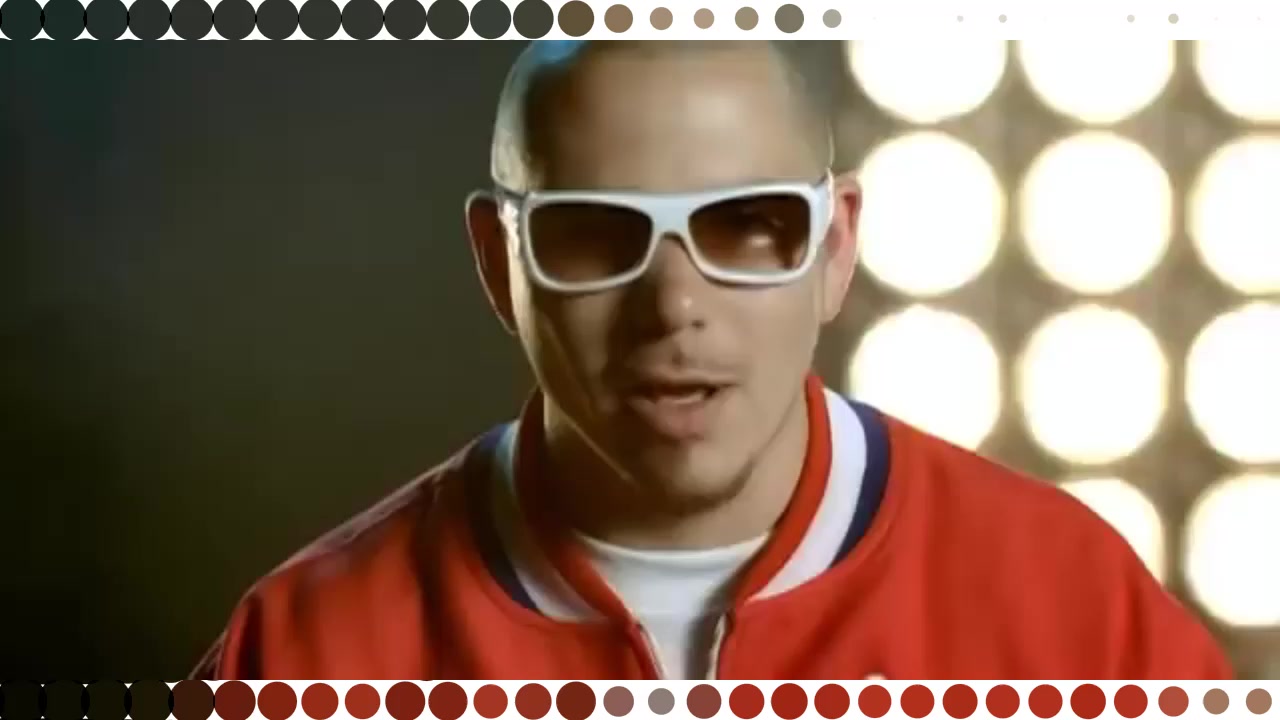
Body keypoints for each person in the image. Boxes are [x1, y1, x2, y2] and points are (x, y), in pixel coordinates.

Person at [195, 40, 1231, 680]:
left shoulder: (1068, 608)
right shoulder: (305, 655)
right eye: (595, 235)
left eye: (747, 226)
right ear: (497, 262)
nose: (675, 307)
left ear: (835, 248)